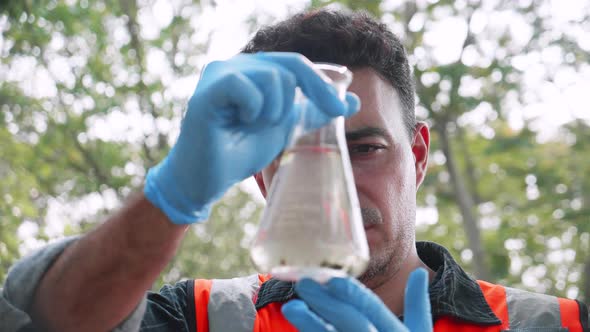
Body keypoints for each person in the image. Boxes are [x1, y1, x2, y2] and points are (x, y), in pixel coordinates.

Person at [2, 8, 588, 332]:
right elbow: (50, 324)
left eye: (365, 148)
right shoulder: (206, 318)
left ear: (416, 155)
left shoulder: (554, 324)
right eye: (309, 155)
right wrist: (174, 191)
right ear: (262, 176)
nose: (344, 187)